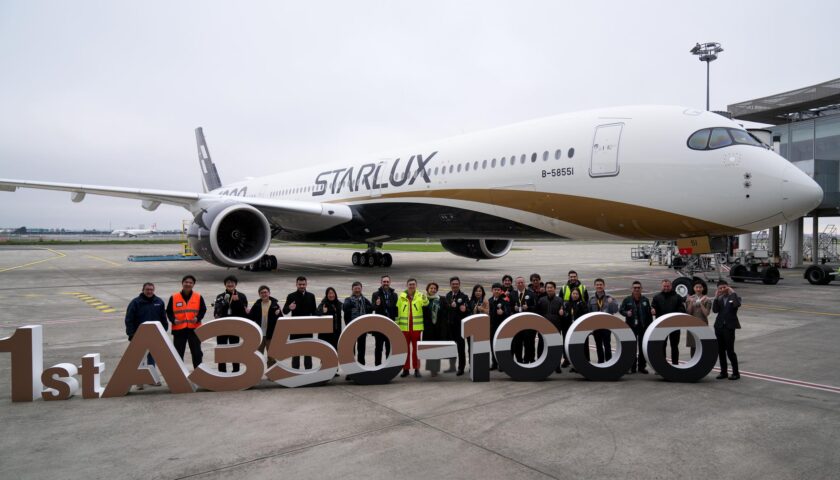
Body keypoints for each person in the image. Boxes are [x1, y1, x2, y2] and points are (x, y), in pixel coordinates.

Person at [124, 282, 167, 390]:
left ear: (154, 290)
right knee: (139, 358)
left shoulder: (159, 302)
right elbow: (129, 319)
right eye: (147, 289)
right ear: (143, 290)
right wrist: (131, 334)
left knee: (152, 357)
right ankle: (140, 381)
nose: (149, 292)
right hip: (139, 336)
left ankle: (151, 378)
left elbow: (163, 319)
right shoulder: (135, 303)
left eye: (151, 290)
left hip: (154, 335)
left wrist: (163, 331)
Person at [166, 275, 207, 368]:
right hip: (179, 330)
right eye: (186, 282)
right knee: (178, 354)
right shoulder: (174, 297)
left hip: (194, 329)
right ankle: (179, 375)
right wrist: (173, 320)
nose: (188, 284)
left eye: (190, 283)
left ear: (193, 285)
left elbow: (203, 310)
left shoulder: (198, 296)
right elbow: (168, 312)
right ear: (182, 283)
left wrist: (198, 318)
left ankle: (198, 374)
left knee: (197, 353)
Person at [213, 275, 249, 373]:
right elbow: (216, 313)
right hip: (222, 327)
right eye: (228, 282)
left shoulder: (241, 296)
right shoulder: (220, 296)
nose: (230, 284)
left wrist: (237, 302)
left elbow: (244, 313)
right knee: (222, 350)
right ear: (225, 284)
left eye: (232, 282)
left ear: (235, 284)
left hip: (235, 327)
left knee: (235, 350)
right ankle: (222, 371)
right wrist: (221, 306)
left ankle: (236, 371)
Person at [283, 276, 318, 370]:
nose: (302, 286)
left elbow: (314, 312)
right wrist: (289, 308)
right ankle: (295, 372)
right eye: (300, 284)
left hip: (307, 328)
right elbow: (285, 311)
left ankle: (308, 371)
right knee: (295, 353)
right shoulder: (291, 296)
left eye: (303, 284)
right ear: (296, 285)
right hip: (295, 328)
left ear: (306, 284)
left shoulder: (311, 296)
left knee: (308, 352)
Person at [396, 278, 428, 378]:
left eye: (413, 284)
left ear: (416, 285)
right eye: (410, 284)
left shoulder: (420, 295)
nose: (412, 286)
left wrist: (424, 298)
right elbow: (397, 311)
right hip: (404, 328)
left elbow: (426, 304)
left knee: (416, 350)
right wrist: (397, 325)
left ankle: (416, 369)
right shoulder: (401, 297)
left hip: (416, 328)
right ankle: (405, 369)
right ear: (407, 285)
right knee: (406, 350)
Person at [620, 281, 653, 374]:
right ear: (632, 289)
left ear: (641, 289)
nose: (637, 289)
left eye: (638, 287)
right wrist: (627, 313)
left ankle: (642, 367)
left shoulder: (645, 300)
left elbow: (649, 314)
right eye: (635, 287)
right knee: (632, 348)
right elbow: (621, 310)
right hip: (631, 328)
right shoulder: (627, 300)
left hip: (643, 327)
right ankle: (632, 367)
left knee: (642, 347)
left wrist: (649, 327)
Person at [651, 279, 686, 365]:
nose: (666, 288)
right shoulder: (656, 297)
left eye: (668, 286)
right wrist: (652, 310)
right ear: (661, 286)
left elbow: (682, 310)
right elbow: (653, 307)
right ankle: (662, 365)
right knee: (662, 345)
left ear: (671, 286)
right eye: (664, 286)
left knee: (674, 346)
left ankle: (675, 364)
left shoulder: (677, 297)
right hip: (661, 325)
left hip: (674, 325)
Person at [247, 285, 282, 368]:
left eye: (265, 292)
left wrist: (279, 313)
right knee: (258, 355)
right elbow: (250, 318)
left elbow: (281, 319)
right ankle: (258, 372)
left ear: (269, 293)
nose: (264, 294)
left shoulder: (275, 305)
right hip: (259, 334)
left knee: (272, 356)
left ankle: (271, 374)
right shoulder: (256, 305)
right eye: (262, 293)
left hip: (271, 335)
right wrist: (247, 312)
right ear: (259, 294)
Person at [712, 281, 741, 380]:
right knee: (721, 351)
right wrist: (715, 297)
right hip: (719, 327)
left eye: (724, 287)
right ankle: (723, 372)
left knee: (730, 351)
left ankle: (735, 373)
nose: (722, 290)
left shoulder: (734, 297)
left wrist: (732, 292)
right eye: (720, 288)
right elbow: (715, 310)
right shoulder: (719, 299)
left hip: (729, 327)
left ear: (728, 287)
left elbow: (736, 305)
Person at [442, 276, 470, 375]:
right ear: (450, 285)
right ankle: (451, 366)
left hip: (459, 327)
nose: (455, 286)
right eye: (453, 284)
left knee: (461, 348)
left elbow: (468, 308)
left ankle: (461, 368)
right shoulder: (448, 295)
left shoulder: (464, 296)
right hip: (450, 326)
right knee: (451, 348)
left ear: (459, 284)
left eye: (456, 284)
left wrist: (464, 309)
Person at [586, 278, 619, 364]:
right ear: (594, 286)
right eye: (597, 285)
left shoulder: (610, 298)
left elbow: (615, 310)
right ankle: (600, 362)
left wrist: (611, 303)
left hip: (606, 325)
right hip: (596, 326)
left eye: (600, 284)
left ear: (604, 286)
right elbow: (588, 313)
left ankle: (609, 362)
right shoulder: (591, 299)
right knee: (598, 345)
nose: (599, 286)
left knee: (607, 345)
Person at [343, 281, 373, 372]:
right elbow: (344, 308)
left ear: (361, 289)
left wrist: (373, 305)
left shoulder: (364, 299)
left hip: (362, 327)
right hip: (352, 327)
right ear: (352, 289)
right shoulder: (348, 299)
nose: (357, 290)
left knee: (361, 349)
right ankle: (351, 371)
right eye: (355, 289)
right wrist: (353, 303)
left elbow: (371, 308)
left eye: (358, 288)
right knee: (351, 351)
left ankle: (361, 368)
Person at [536, 281, 564, 373]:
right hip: (543, 327)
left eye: (551, 287)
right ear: (546, 289)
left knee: (555, 347)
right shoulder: (541, 300)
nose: (549, 289)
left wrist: (563, 314)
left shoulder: (560, 300)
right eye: (548, 287)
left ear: (554, 289)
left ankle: (557, 365)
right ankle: (540, 363)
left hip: (556, 327)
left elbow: (565, 314)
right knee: (541, 346)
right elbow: (537, 314)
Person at [370, 275, 398, 366]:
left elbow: (396, 310)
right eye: (384, 282)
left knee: (389, 347)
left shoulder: (394, 295)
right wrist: (377, 304)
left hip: (390, 324)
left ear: (390, 282)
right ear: (381, 282)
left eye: (387, 282)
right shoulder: (376, 294)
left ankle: (387, 366)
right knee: (378, 347)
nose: (386, 283)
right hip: (380, 325)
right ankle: (377, 366)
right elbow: (372, 308)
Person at [510, 276, 538, 364]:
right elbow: (508, 308)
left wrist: (528, 307)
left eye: (522, 282)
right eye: (518, 283)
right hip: (516, 323)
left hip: (528, 323)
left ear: (524, 283)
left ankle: (528, 360)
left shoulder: (531, 294)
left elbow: (536, 307)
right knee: (517, 343)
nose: (520, 284)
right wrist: (513, 308)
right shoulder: (512, 294)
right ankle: (519, 360)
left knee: (528, 343)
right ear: (515, 284)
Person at [560, 288, 588, 373]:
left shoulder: (582, 304)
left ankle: (579, 364)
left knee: (577, 347)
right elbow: (565, 316)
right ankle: (568, 361)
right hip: (568, 328)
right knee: (569, 346)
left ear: (579, 295)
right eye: (573, 294)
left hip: (578, 328)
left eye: (576, 294)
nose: (575, 295)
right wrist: (563, 313)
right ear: (571, 294)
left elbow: (585, 315)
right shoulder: (567, 304)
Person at [422, 282, 446, 376]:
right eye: (431, 288)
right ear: (427, 289)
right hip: (428, 328)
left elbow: (445, 311)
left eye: (434, 288)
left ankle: (436, 368)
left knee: (437, 347)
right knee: (429, 348)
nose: (433, 290)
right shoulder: (424, 300)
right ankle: (431, 368)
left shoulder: (441, 299)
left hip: (438, 327)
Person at [685, 280, 712, 358]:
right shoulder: (689, 299)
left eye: (700, 287)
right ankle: (693, 362)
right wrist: (690, 302)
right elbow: (688, 313)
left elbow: (706, 313)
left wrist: (701, 304)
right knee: (693, 346)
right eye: (696, 287)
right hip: (692, 324)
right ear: (694, 288)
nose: (698, 289)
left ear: (703, 288)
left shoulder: (707, 299)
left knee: (702, 344)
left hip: (702, 323)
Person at [488, 282, 510, 371]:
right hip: (492, 326)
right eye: (495, 290)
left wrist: (503, 313)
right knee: (492, 344)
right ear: (492, 290)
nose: (496, 291)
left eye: (498, 290)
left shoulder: (504, 301)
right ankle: (494, 363)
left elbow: (508, 313)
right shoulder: (489, 300)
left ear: (501, 291)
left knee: (501, 345)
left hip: (501, 326)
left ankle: (501, 364)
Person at [318, 287, 343, 353]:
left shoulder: (338, 303)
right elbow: (317, 312)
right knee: (326, 353)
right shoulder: (324, 303)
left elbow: (345, 307)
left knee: (335, 352)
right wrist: (322, 311)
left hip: (336, 332)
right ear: (326, 295)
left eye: (333, 293)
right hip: (326, 334)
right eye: (329, 293)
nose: (331, 295)